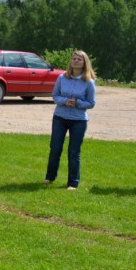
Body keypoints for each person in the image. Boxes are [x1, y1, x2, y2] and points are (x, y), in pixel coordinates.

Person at [43, 50, 96, 190]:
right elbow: (55, 96)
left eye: (79, 59)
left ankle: (73, 183)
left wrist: (78, 103)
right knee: (55, 148)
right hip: (60, 117)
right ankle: (50, 177)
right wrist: (65, 101)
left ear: (85, 63)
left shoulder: (89, 82)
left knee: (74, 152)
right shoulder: (62, 78)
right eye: (74, 58)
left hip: (78, 120)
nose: (76, 61)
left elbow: (91, 103)